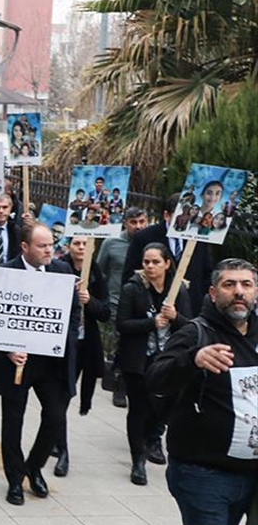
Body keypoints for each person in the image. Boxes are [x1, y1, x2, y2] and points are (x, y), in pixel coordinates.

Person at [147, 258, 257, 525]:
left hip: (249, 471)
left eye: (246, 284)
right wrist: (191, 360)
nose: (239, 292)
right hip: (201, 471)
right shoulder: (197, 332)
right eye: (229, 285)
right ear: (213, 293)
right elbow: (154, 377)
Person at [0, 222, 80, 506]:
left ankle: (34, 466)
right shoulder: (5, 274)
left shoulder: (62, 272)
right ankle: (14, 479)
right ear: (25, 247)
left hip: (51, 363)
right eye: (42, 245)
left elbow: (73, 314)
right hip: (17, 363)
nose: (49, 249)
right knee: (13, 421)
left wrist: (63, 339)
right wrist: (7, 349)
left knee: (55, 416)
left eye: (51, 244)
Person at [117, 243, 192, 484]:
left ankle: (154, 438)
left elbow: (190, 327)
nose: (150, 267)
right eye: (146, 262)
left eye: (155, 262)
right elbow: (122, 324)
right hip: (138, 360)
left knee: (163, 406)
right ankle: (138, 459)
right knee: (138, 409)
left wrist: (175, 317)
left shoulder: (178, 290)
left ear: (167, 264)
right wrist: (151, 323)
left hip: (169, 360)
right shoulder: (133, 288)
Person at [55, 235, 110, 475]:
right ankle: (61, 448)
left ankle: (56, 441)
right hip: (61, 344)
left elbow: (106, 313)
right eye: (76, 243)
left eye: (85, 244)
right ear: (68, 246)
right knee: (59, 398)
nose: (80, 248)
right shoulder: (58, 269)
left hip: (85, 345)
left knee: (66, 395)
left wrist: (90, 301)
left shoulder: (98, 275)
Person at [124, 193, 214, 315]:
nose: (186, 219)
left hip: (191, 308)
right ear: (167, 215)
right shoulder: (144, 237)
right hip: (153, 309)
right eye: (182, 214)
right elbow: (130, 273)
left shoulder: (198, 238)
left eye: (190, 215)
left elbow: (206, 273)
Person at [98, 207, 150, 408]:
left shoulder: (150, 244)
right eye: (133, 222)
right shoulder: (112, 243)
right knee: (121, 344)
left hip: (143, 306)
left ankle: (129, 384)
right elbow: (100, 272)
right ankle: (119, 385)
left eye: (142, 222)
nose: (138, 227)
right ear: (125, 223)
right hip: (116, 303)